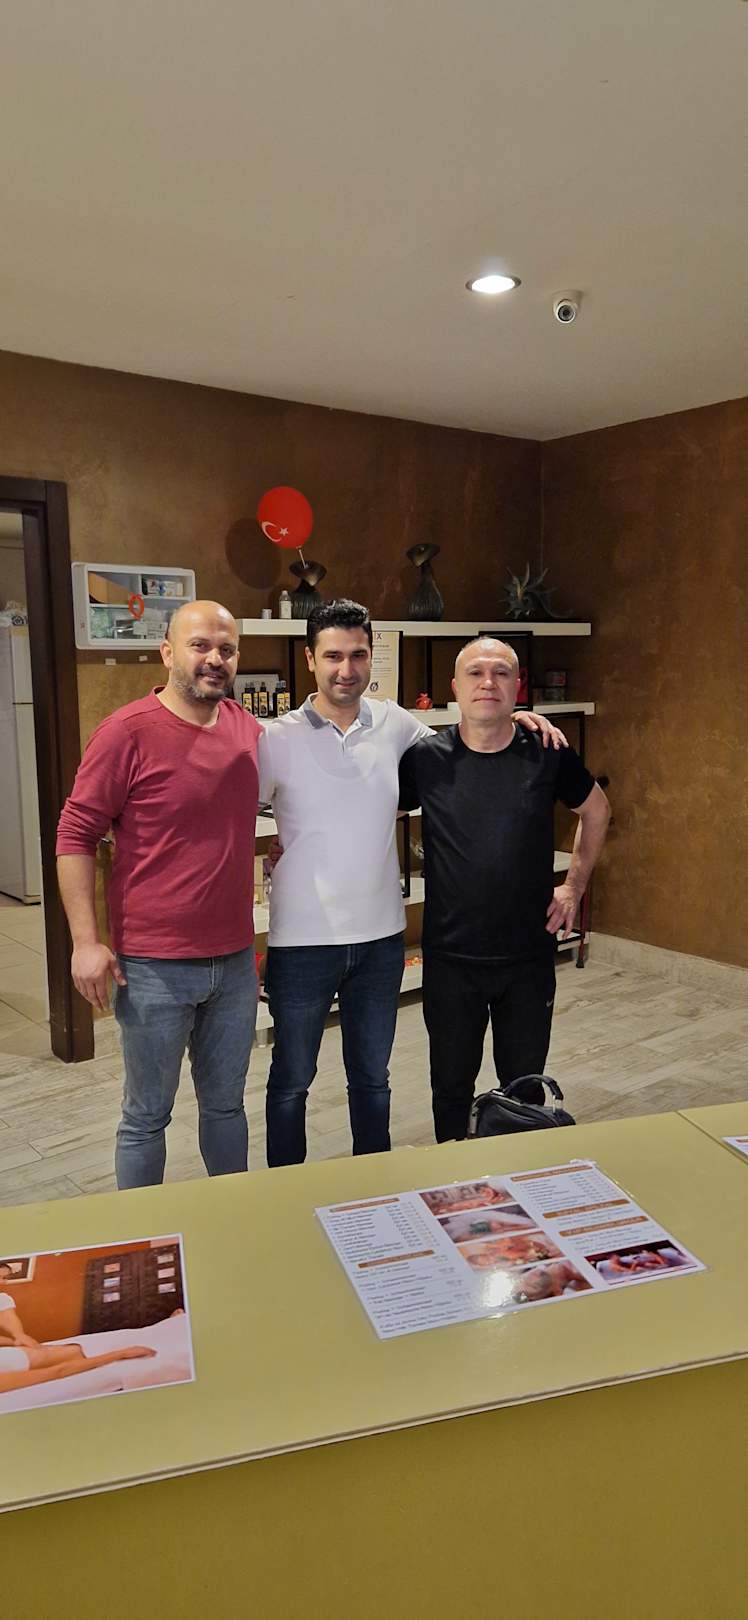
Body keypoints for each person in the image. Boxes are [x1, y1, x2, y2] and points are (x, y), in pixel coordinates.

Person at [259, 600, 562, 1167]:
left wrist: (519, 717)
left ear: (371, 656)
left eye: (358, 655)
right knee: (291, 1083)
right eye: (333, 656)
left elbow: (471, 737)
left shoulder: (396, 724)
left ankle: (376, 1182)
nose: (346, 669)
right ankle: (284, 1190)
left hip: (379, 939)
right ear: (310, 660)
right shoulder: (274, 738)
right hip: (300, 939)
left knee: (372, 1081)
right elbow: (235, 816)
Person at [56, 601, 262, 1189]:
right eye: (200, 645)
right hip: (152, 968)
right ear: (168, 652)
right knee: (147, 1116)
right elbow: (75, 835)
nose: (215, 659)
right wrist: (85, 942)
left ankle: (235, 1214)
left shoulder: (246, 728)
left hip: (234, 961)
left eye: (226, 649)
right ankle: (139, 1233)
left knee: (226, 1107)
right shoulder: (126, 732)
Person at [398, 636, 611, 1143]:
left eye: (500, 673)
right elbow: (377, 814)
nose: (487, 683)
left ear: (518, 687)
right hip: (452, 959)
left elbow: (597, 810)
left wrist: (573, 888)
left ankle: (519, 1176)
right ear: (455, 688)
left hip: (527, 957)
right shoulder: (425, 758)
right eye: (475, 673)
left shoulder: (547, 752)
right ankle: (455, 1176)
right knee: (450, 1088)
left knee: (524, 1091)